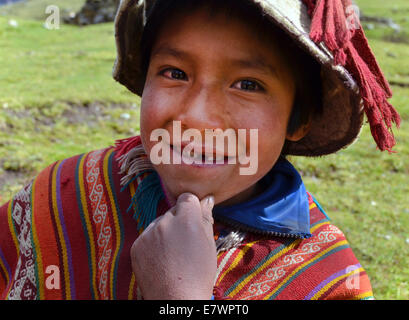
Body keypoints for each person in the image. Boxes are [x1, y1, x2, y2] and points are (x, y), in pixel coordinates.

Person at [0, 0, 400, 300]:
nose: (196, 117)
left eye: (247, 84)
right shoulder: (65, 196)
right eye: (175, 73)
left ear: (300, 119)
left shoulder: (327, 282)